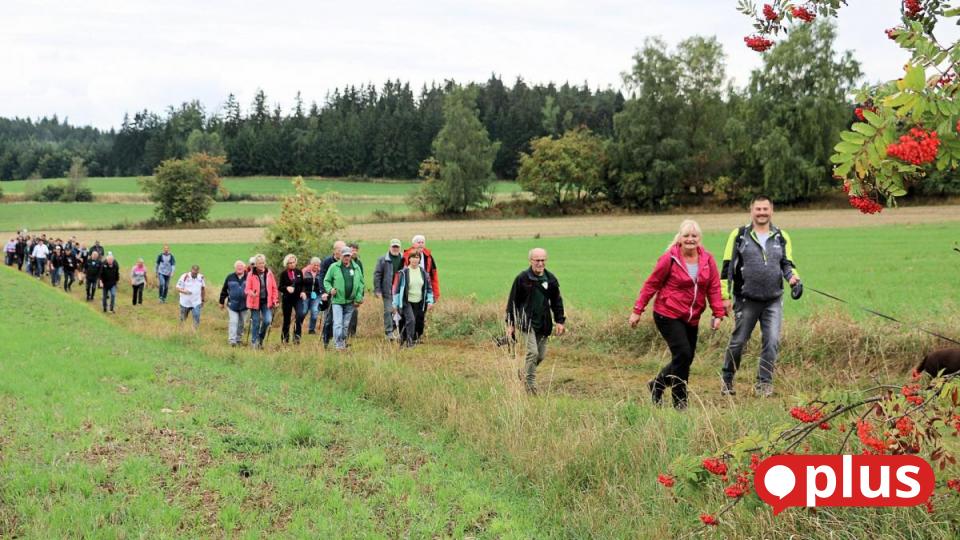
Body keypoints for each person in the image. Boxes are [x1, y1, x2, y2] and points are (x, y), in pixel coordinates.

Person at [629, 220, 725, 409]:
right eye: (686, 236)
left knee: (685, 358)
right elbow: (651, 284)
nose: (690, 239)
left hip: (692, 316)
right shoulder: (669, 258)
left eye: (694, 236)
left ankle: (657, 384)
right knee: (682, 353)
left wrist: (718, 313)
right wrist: (637, 310)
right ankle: (680, 402)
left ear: (700, 238)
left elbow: (714, 287)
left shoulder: (708, 259)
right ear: (680, 238)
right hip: (668, 313)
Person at [720, 195, 800, 397]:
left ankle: (764, 384)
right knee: (738, 342)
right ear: (751, 210)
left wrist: (793, 279)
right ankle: (727, 379)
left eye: (765, 209)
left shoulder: (781, 236)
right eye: (758, 209)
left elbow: (787, 264)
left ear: (771, 210)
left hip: (773, 300)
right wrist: (724, 296)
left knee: (771, 341)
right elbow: (727, 267)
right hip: (746, 299)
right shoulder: (738, 235)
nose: (762, 212)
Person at [505, 248, 566, 395]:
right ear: (530, 261)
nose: (540, 263)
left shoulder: (551, 279)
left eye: (543, 260)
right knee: (532, 352)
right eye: (537, 260)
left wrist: (559, 321)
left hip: (544, 324)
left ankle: (523, 373)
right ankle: (530, 387)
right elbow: (513, 301)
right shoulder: (522, 279)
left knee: (540, 356)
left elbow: (557, 301)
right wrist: (510, 324)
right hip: (527, 323)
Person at [323, 246, 364, 351]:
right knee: (337, 323)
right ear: (341, 256)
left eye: (348, 256)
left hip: (350, 301)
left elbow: (361, 284)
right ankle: (338, 345)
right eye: (345, 255)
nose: (346, 258)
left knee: (345, 325)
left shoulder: (356, 268)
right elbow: (326, 280)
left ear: (351, 256)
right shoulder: (334, 267)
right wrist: (330, 289)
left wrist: (358, 298)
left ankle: (341, 342)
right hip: (337, 300)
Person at [391, 250, 434, 347]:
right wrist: (395, 303)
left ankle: (403, 339)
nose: (415, 259)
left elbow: (428, 288)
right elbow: (397, 290)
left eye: (417, 257)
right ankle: (409, 343)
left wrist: (430, 301)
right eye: (413, 257)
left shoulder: (424, 273)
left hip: (419, 302)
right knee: (411, 320)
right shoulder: (403, 273)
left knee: (416, 322)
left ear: (419, 260)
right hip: (406, 301)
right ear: (409, 259)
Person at [245, 254, 279, 348]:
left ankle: (260, 338)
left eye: (263, 263)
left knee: (267, 321)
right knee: (255, 322)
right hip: (254, 302)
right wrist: (252, 293)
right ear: (255, 264)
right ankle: (254, 342)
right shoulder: (251, 274)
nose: (261, 265)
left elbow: (274, 288)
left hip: (266, 302)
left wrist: (275, 299)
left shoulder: (269, 273)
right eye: (259, 263)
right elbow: (247, 289)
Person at [374, 239, 404, 340]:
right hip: (387, 290)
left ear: (400, 248)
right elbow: (377, 274)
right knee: (388, 311)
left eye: (397, 247)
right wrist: (377, 290)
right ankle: (389, 333)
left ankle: (398, 330)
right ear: (390, 247)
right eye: (393, 247)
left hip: (401, 290)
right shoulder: (383, 259)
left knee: (401, 311)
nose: (395, 249)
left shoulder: (404, 259)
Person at [318, 240, 347, 347]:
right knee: (329, 319)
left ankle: (340, 341)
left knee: (342, 321)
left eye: (344, 249)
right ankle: (326, 340)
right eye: (340, 250)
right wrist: (324, 292)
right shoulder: (327, 261)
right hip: (330, 294)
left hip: (343, 295)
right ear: (335, 250)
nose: (343, 252)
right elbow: (322, 277)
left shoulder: (347, 262)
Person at [278, 254, 307, 344]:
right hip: (287, 299)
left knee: (300, 315)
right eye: (290, 263)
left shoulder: (299, 272)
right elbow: (280, 287)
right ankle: (285, 339)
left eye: (293, 262)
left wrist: (303, 292)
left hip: (298, 298)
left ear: (296, 262)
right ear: (286, 264)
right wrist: (286, 288)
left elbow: (303, 284)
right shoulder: (283, 274)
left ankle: (297, 337)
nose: (292, 264)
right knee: (287, 319)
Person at [219, 260, 249, 346]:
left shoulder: (249, 277)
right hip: (232, 305)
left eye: (241, 266)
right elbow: (224, 290)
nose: (239, 268)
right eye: (237, 266)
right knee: (233, 322)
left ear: (244, 268)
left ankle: (238, 339)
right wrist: (221, 302)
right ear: (235, 268)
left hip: (245, 305)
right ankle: (232, 341)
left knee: (242, 323)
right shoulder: (230, 277)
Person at [302, 257, 325, 335]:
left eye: (318, 265)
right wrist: (302, 292)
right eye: (314, 265)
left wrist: (322, 293)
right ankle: (298, 325)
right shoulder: (305, 271)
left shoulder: (321, 273)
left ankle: (311, 329)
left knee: (315, 311)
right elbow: (300, 283)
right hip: (306, 294)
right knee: (304, 311)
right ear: (311, 264)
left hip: (317, 295)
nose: (316, 267)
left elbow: (323, 284)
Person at [347, 242, 363, 337]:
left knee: (354, 312)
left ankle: (352, 333)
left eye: (356, 250)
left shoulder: (358, 263)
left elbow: (361, 279)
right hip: (344, 292)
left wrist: (361, 295)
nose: (354, 252)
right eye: (352, 250)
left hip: (355, 292)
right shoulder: (343, 262)